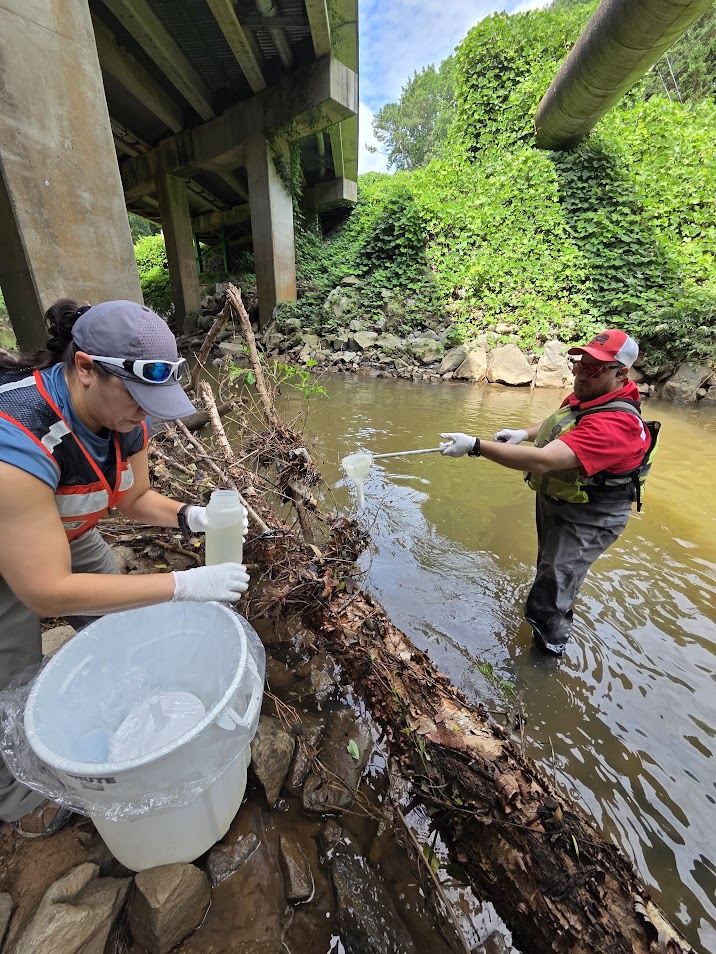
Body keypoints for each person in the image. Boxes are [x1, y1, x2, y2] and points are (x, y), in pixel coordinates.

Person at [0, 298, 250, 836]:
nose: (145, 413)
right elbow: (44, 591)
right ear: (86, 369)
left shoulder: (123, 417)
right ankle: (19, 798)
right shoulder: (17, 436)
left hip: (68, 529)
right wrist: (183, 584)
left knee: (120, 627)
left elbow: (134, 498)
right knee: (11, 672)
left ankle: (123, 714)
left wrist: (192, 517)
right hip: (10, 549)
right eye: (138, 399)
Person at [440, 330, 657, 657]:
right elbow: (562, 421)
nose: (581, 373)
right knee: (550, 569)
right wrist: (522, 433)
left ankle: (547, 655)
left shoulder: (616, 425)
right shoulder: (590, 395)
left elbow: (544, 460)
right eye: (580, 364)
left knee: (549, 593)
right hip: (562, 500)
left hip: (591, 517)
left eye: (594, 368)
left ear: (620, 373)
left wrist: (475, 447)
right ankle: (556, 609)